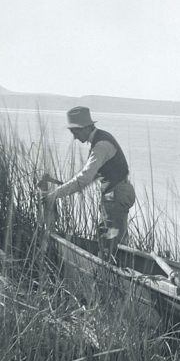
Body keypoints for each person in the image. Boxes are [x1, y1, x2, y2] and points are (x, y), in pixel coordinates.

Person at [44, 106, 136, 259]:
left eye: (75, 132)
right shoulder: (102, 139)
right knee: (107, 235)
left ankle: (113, 274)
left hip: (115, 194)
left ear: (86, 127)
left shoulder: (100, 146)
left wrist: (55, 194)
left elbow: (85, 177)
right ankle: (111, 268)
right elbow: (91, 176)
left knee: (112, 241)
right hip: (116, 193)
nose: (74, 137)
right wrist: (66, 187)